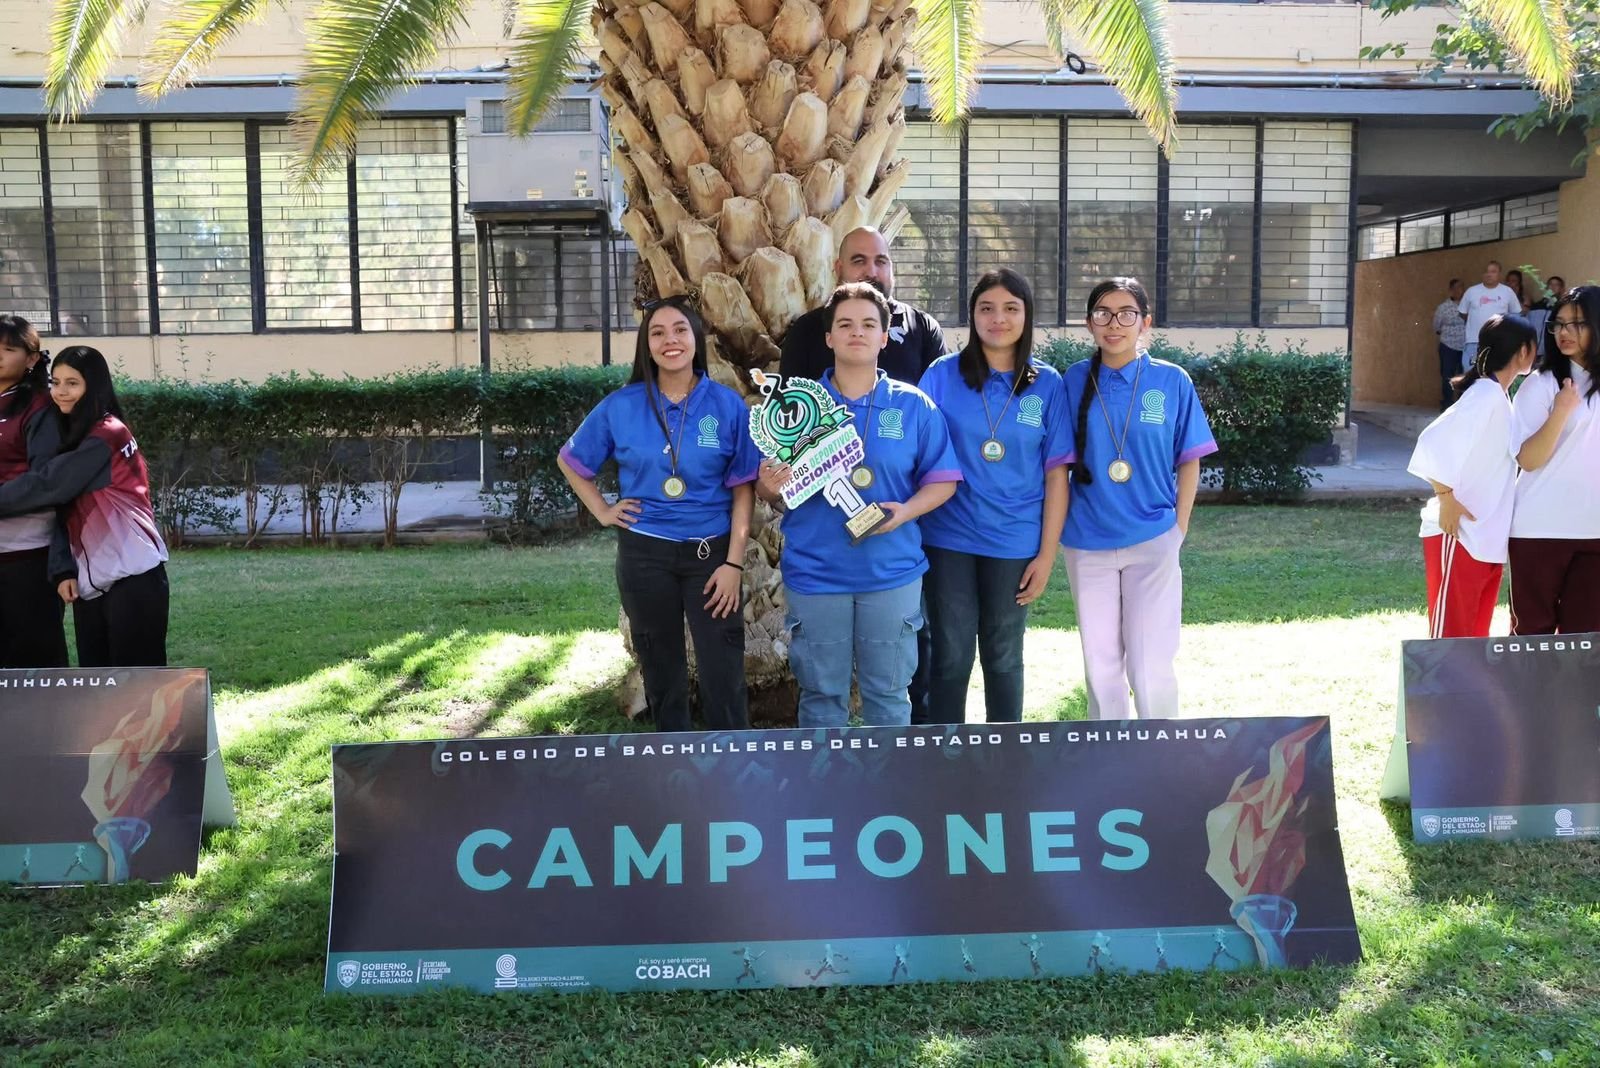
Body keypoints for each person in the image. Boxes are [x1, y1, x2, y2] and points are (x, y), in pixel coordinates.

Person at [757, 282, 961, 728]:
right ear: (828, 337)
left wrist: (905, 512)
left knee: (888, 697)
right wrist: (768, 486)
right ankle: (823, 793)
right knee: (821, 697)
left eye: (869, 324)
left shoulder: (914, 407)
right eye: (845, 324)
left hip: (891, 573)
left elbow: (944, 480)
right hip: (816, 573)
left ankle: (890, 796)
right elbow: (771, 490)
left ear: (884, 337)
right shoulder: (796, 409)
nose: (857, 332)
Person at [557, 298, 759, 731]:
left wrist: (734, 563)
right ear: (647, 346)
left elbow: (744, 488)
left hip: (711, 556)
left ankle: (734, 768)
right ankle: (674, 766)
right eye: (658, 333)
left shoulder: (726, 406)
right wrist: (603, 511)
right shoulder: (622, 406)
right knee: (661, 668)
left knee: (722, 668)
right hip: (644, 556)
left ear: (696, 340)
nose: (671, 340)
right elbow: (571, 461)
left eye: (680, 330)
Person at [1059, 278, 1218, 720]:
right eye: (1103, 314)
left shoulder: (1171, 380)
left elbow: (1190, 459)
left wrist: (1177, 530)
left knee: (1151, 662)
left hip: (1153, 537)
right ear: (1089, 324)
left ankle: (1159, 758)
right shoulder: (1072, 381)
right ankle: (1109, 762)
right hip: (1087, 541)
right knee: (1101, 663)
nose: (1115, 323)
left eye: (1127, 313)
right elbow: (1057, 466)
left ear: (1145, 322)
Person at [916, 269, 1070, 724]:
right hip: (948, 538)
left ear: (1027, 316)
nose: (998, 318)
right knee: (951, 654)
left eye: (1010, 308)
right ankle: (944, 760)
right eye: (986, 308)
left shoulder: (1048, 384)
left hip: (1015, 542)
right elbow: (914, 451)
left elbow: (1057, 474)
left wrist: (1046, 555)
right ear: (972, 316)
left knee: (1004, 655)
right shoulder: (941, 375)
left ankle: (1006, 762)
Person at [0, 346, 168, 666]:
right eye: (55, 381)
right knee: (97, 688)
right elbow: (64, 508)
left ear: (94, 385)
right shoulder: (76, 433)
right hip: (91, 587)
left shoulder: (107, 434)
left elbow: (47, 485)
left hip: (133, 580)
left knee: (137, 688)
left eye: (72, 383)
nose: (60, 392)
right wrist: (63, 568)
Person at [1406, 315, 1539, 638]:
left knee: (1471, 638)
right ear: (1523, 351)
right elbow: (1432, 441)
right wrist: (1446, 498)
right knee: (1451, 637)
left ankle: (1464, 691)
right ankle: (1444, 690)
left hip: (1483, 539)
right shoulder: (1484, 397)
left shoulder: (1498, 396)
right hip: (1460, 535)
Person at [1507, 285, 1600, 635]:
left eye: (1577, 323)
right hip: (1540, 528)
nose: (1564, 332)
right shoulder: (1540, 385)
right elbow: (1527, 460)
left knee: (1587, 636)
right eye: (1559, 324)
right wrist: (1560, 411)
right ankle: (1526, 693)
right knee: (1533, 633)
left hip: (1595, 531)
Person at [0, 315, 68, 668]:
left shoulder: (40, 406)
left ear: (30, 359)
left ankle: (49, 723)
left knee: (34, 654)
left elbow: (46, 479)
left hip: (28, 552)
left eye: (8, 349)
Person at [1458, 261, 1522, 372]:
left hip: (1499, 343)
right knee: (1471, 378)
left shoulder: (1507, 292)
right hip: (1474, 343)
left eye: (1493, 271)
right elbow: (1462, 313)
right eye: (1486, 271)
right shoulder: (1471, 291)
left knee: (1496, 377)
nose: (1489, 274)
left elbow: (1516, 315)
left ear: (1499, 274)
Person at [1432, 279, 1468, 410]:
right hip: (1448, 346)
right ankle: (1447, 403)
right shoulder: (1443, 307)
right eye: (1457, 288)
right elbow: (1436, 325)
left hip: (1465, 346)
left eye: (1462, 287)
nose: (1460, 291)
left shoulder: (1468, 306)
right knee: (1447, 375)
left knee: (1463, 375)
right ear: (1451, 290)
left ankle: (1461, 405)